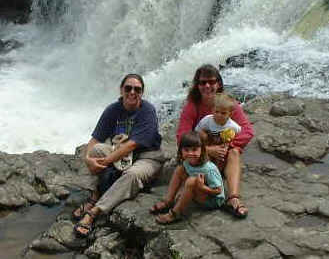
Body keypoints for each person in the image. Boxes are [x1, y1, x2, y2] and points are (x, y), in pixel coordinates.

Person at [73, 73, 165, 237]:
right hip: (121, 156)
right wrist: (88, 159)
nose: (132, 92)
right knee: (95, 151)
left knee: (133, 174)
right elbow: (95, 139)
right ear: (121, 90)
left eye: (137, 89)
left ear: (142, 93)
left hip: (147, 157)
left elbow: (132, 144)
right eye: (128, 88)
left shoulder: (147, 110)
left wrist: (106, 161)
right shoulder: (113, 109)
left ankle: (95, 211)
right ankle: (94, 194)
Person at [176, 64, 254, 218]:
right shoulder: (192, 107)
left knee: (235, 152)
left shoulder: (228, 104)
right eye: (202, 82)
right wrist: (207, 149)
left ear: (218, 84)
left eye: (212, 82)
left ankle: (233, 199)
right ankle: (202, 193)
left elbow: (247, 131)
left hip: (224, 154)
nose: (207, 86)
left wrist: (227, 146)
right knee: (202, 135)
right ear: (197, 85)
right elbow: (182, 137)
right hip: (201, 155)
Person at [150, 131, 225, 224]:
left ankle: (175, 213)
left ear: (202, 150)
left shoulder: (209, 169)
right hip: (199, 191)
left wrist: (202, 187)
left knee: (191, 181)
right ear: (181, 150)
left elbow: (218, 191)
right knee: (179, 169)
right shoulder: (187, 162)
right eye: (186, 150)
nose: (190, 153)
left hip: (212, 199)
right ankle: (168, 201)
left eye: (194, 150)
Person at [195, 92, 241, 170]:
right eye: (216, 112)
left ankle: (218, 170)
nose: (219, 115)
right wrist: (204, 136)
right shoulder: (207, 120)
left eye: (223, 113)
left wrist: (229, 142)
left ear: (230, 114)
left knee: (220, 159)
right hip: (208, 144)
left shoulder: (232, 126)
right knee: (205, 157)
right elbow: (197, 131)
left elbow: (238, 133)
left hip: (221, 148)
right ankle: (206, 166)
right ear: (212, 110)